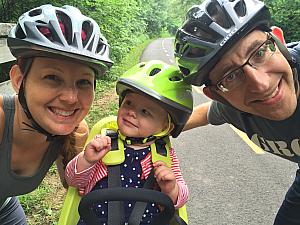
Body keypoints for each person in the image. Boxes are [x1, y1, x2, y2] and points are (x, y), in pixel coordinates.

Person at [174, 0, 300, 224]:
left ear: (279, 41)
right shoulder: (233, 107)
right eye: (230, 76)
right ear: (218, 95)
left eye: (259, 52)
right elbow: (202, 115)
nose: (261, 85)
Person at [0, 4, 113, 224]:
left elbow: (72, 184)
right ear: (18, 80)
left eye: (83, 82)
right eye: (52, 77)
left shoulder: (77, 130)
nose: (71, 98)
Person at [65, 60, 192, 225]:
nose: (131, 112)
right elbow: (73, 181)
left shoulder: (163, 156)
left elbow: (180, 200)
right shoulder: (103, 144)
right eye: (129, 103)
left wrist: (171, 188)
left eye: (145, 111)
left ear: (166, 126)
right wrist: (87, 160)